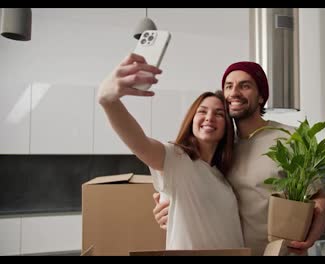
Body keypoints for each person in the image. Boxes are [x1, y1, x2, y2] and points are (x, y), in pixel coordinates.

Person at [153, 61, 325, 255]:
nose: (234, 92)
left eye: (245, 86)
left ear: (261, 96)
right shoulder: (223, 147)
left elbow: (319, 198)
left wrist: (313, 232)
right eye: (228, 86)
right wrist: (173, 208)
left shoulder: (290, 138)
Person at [97, 53, 244, 250]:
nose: (209, 117)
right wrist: (108, 101)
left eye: (219, 114)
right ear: (192, 119)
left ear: (227, 126)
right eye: (202, 111)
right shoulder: (177, 159)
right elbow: (140, 143)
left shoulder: (222, 178)